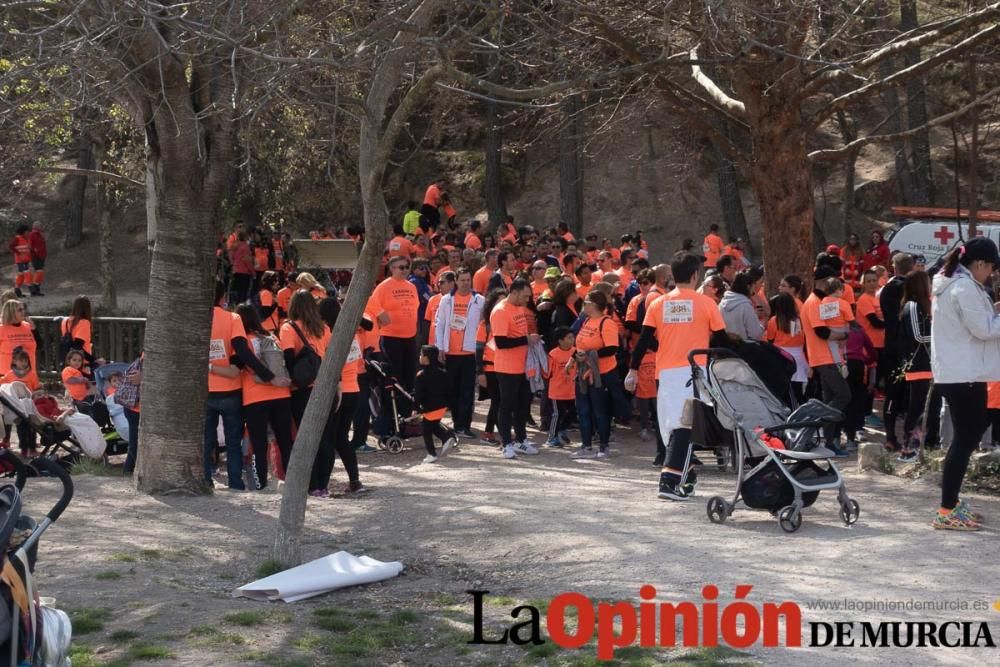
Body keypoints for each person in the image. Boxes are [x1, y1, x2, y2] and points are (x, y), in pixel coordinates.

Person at [626, 252, 728, 501]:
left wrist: (633, 369)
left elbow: (644, 341)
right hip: (693, 371)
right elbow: (723, 340)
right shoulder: (706, 304)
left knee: (672, 425)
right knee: (685, 425)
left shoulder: (658, 304)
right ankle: (669, 482)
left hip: (665, 374)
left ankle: (686, 476)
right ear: (695, 275)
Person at [929, 238, 1000, 530]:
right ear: (980, 264)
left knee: (967, 437)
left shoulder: (953, 283)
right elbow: (983, 329)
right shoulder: (963, 288)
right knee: (964, 440)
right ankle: (946, 509)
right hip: (964, 374)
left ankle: (952, 503)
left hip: (961, 372)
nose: (992, 275)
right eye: (992, 269)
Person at [234, 304, 293, 490]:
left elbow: (240, 365)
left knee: (259, 445)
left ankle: (261, 484)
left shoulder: (244, 341)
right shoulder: (272, 337)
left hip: (255, 397)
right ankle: (292, 482)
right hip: (282, 394)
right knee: (285, 441)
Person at [800, 270, 852, 456]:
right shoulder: (814, 303)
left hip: (829, 356)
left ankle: (829, 443)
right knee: (843, 396)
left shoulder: (821, 302)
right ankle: (812, 430)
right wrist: (844, 334)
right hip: (824, 358)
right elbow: (821, 332)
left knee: (830, 401)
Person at [205, 282, 249, 489]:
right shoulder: (233, 318)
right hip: (231, 387)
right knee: (233, 441)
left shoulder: (196, 319)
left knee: (206, 440)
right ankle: (235, 482)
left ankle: (205, 480)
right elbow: (240, 350)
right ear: (223, 297)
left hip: (204, 390)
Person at [490, 279, 539, 459]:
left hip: (523, 366)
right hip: (507, 368)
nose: (527, 300)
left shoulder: (519, 308)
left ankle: (521, 440)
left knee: (522, 405)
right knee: (507, 406)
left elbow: (518, 334)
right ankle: (506, 443)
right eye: (525, 296)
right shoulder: (500, 311)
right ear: (515, 292)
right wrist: (526, 340)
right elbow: (501, 342)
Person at [569, 291, 619, 459]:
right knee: (583, 410)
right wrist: (573, 358)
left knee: (600, 411)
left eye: (586, 302)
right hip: (583, 372)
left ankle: (603, 446)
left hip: (600, 374)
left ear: (594, 305)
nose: (584, 305)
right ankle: (586, 445)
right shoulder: (587, 320)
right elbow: (580, 344)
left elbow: (612, 348)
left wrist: (590, 354)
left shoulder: (607, 322)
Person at [435, 268, 484, 439]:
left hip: (470, 353)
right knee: (453, 390)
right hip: (451, 352)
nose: (465, 283)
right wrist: (440, 347)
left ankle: (465, 425)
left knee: (467, 391)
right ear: (456, 281)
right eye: (462, 280)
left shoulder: (479, 300)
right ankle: (457, 424)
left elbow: (483, 324)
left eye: (468, 280)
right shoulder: (446, 300)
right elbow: (439, 324)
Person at [370, 255, 420, 411]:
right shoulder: (384, 286)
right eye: (401, 267)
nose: (405, 270)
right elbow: (372, 302)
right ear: (392, 268)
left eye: (407, 267)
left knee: (409, 375)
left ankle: (406, 411)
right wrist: (382, 316)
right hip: (391, 338)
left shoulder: (411, 286)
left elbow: (416, 306)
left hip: (410, 337)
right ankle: (392, 412)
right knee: (394, 376)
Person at [896, 271, 935, 463]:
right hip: (918, 363)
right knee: (916, 407)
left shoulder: (926, 304)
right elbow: (917, 336)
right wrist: (942, 338)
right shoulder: (911, 306)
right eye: (928, 282)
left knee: (928, 408)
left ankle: (922, 446)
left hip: (930, 364)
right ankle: (907, 448)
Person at [880, 253, 914, 451]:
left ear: (894, 266)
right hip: (907, 347)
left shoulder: (886, 289)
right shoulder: (908, 288)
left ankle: (891, 436)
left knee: (893, 394)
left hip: (891, 345)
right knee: (909, 395)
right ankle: (909, 438)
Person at [414, 345, 457, 463]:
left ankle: (432, 453)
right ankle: (447, 437)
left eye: (421, 354)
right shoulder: (443, 372)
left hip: (429, 408)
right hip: (442, 407)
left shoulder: (421, 375)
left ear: (426, 358)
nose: (420, 356)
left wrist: (415, 408)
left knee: (426, 429)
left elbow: (418, 395)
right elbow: (449, 390)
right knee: (433, 425)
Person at [766, 293, 807, 405]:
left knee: (782, 389)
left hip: (780, 356)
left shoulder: (774, 321)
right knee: (797, 391)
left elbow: (770, 339)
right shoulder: (800, 320)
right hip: (798, 357)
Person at [543, 327, 576, 447]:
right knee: (557, 414)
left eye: (573, 337)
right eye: (569, 337)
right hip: (557, 390)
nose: (572, 340)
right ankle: (552, 437)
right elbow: (547, 373)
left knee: (573, 411)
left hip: (572, 390)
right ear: (560, 340)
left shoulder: (575, 352)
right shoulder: (553, 354)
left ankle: (562, 429)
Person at [719, 270, 765, 341]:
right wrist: (762, 324)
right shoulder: (745, 306)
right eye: (753, 287)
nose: (753, 291)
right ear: (748, 287)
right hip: (742, 348)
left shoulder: (721, 304)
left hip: (725, 348)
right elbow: (755, 334)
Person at [61, 295, 106, 366]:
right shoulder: (84, 323)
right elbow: (78, 347)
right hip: (81, 362)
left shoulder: (65, 321)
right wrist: (94, 360)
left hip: (69, 360)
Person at [0, 300, 36, 377]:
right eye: (20, 310)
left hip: (28, 373)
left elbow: (39, 346)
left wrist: (34, 330)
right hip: (7, 374)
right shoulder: (1, 329)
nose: (24, 311)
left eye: (23, 309)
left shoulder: (27, 326)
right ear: (11, 312)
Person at [228, 231, 254, 304]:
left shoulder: (234, 246)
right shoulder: (245, 247)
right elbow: (247, 261)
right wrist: (252, 272)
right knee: (242, 293)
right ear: (245, 237)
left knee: (234, 291)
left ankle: (232, 305)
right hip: (244, 273)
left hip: (235, 271)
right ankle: (241, 309)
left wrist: (233, 264)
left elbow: (231, 256)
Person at [9, 225, 31, 299]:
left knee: (22, 274)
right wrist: (18, 254)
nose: (28, 232)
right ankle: (30, 288)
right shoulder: (17, 238)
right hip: (20, 260)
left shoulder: (26, 238)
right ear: (24, 231)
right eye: (27, 231)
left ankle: (18, 291)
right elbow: (11, 246)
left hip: (26, 260)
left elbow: (26, 249)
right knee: (24, 273)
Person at [27, 222, 46, 296]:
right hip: (36, 256)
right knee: (39, 272)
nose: (41, 227)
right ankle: (34, 289)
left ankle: (36, 290)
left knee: (40, 273)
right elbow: (29, 245)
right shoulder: (32, 234)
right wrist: (35, 250)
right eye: (40, 226)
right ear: (35, 227)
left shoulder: (40, 235)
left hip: (42, 256)